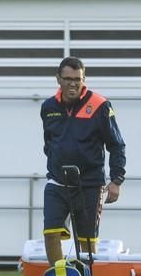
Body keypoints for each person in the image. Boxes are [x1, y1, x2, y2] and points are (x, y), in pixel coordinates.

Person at [41, 57, 126, 265]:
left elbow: (116, 145)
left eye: (77, 80)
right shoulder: (48, 107)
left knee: (87, 243)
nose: (73, 84)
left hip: (90, 185)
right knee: (51, 233)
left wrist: (116, 180)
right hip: (57, 182)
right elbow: (48, 143)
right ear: (58, 79)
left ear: (84, 79)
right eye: (68, 79)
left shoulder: (100, 105)